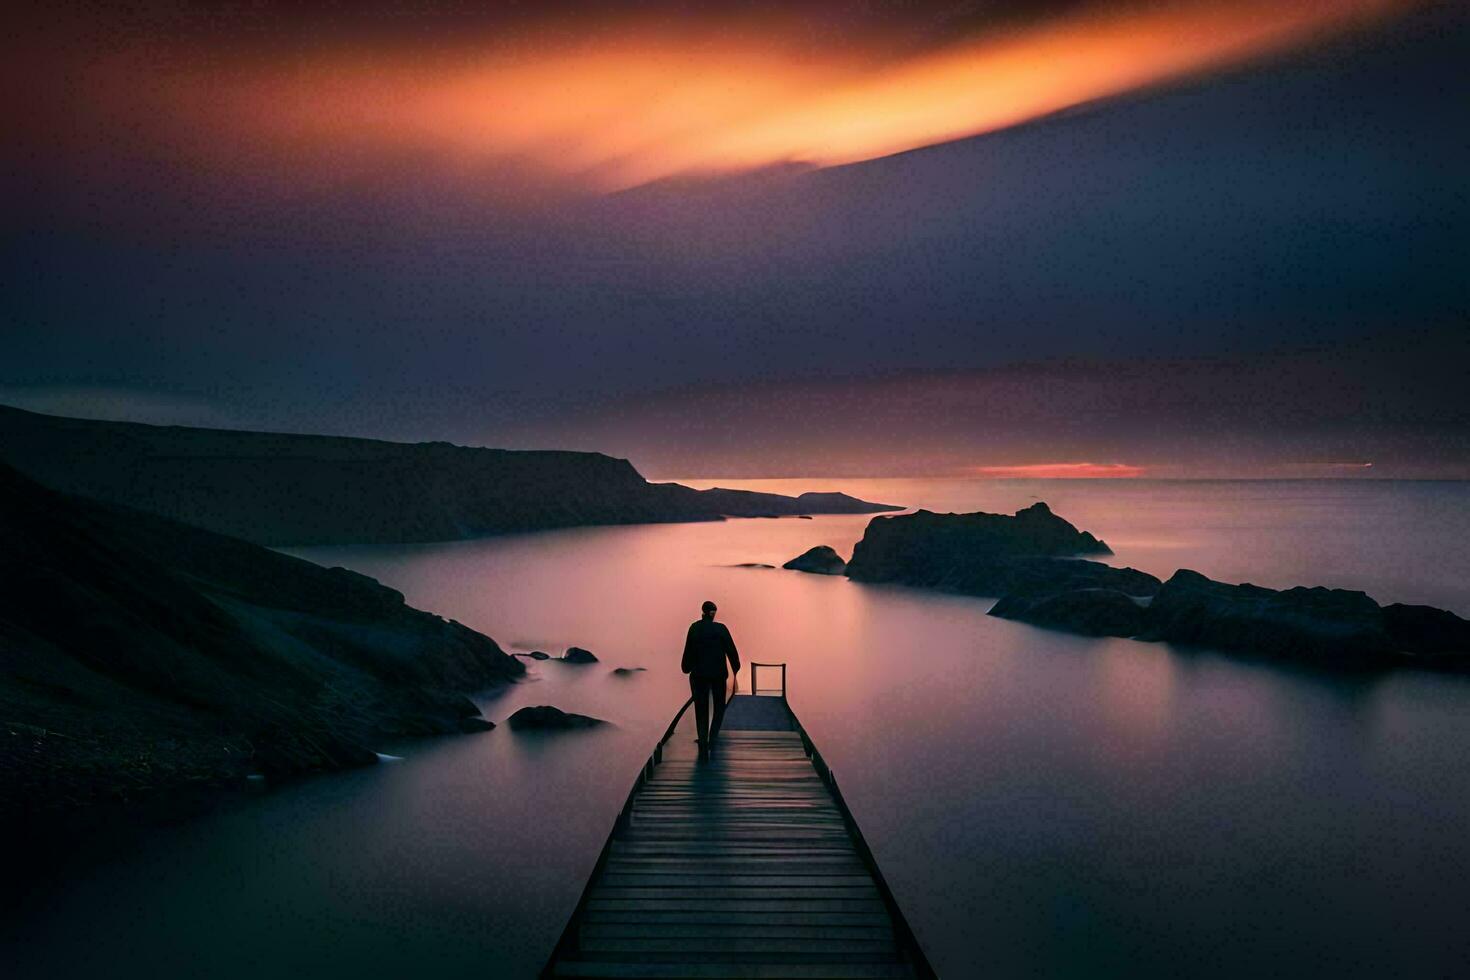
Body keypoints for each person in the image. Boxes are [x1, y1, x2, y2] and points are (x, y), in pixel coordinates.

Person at [681, 600, 740, 760]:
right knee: (719, 707)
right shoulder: (721, 629)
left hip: (699, 675)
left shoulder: (695, 628)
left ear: (703, 611)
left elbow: (688, 653)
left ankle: (703, 740)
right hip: (718, 675)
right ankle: (713, 736)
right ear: (713, 613)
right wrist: (736, 669)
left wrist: (686, 667)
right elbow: (732, 652)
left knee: (701, 708)